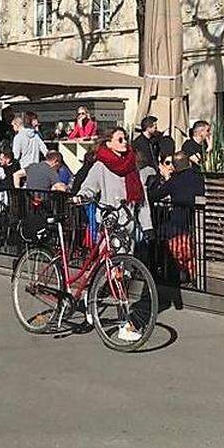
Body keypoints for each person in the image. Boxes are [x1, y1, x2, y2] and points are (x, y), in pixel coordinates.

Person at [76, 127, 153, 342]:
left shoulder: (131, 166)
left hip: (128, 226)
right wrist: (81, 197)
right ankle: (124, 325)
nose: (124, 142)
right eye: (120, 139)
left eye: (125, 138)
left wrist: (147, 226)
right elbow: (88, 188)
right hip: (110, 225)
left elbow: (142, 199)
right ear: (109, 143)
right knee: (116, 275)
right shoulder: (101, 166)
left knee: (123, 275)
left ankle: (89, 297)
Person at [150, 152, 205, 281]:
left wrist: (166, 178)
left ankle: (157, 271)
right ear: (189, 163)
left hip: (178, 224)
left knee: (154, 236)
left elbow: (154, 196)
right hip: (195, 223)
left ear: (174, 167)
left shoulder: (175, 181)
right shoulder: (199, 177)